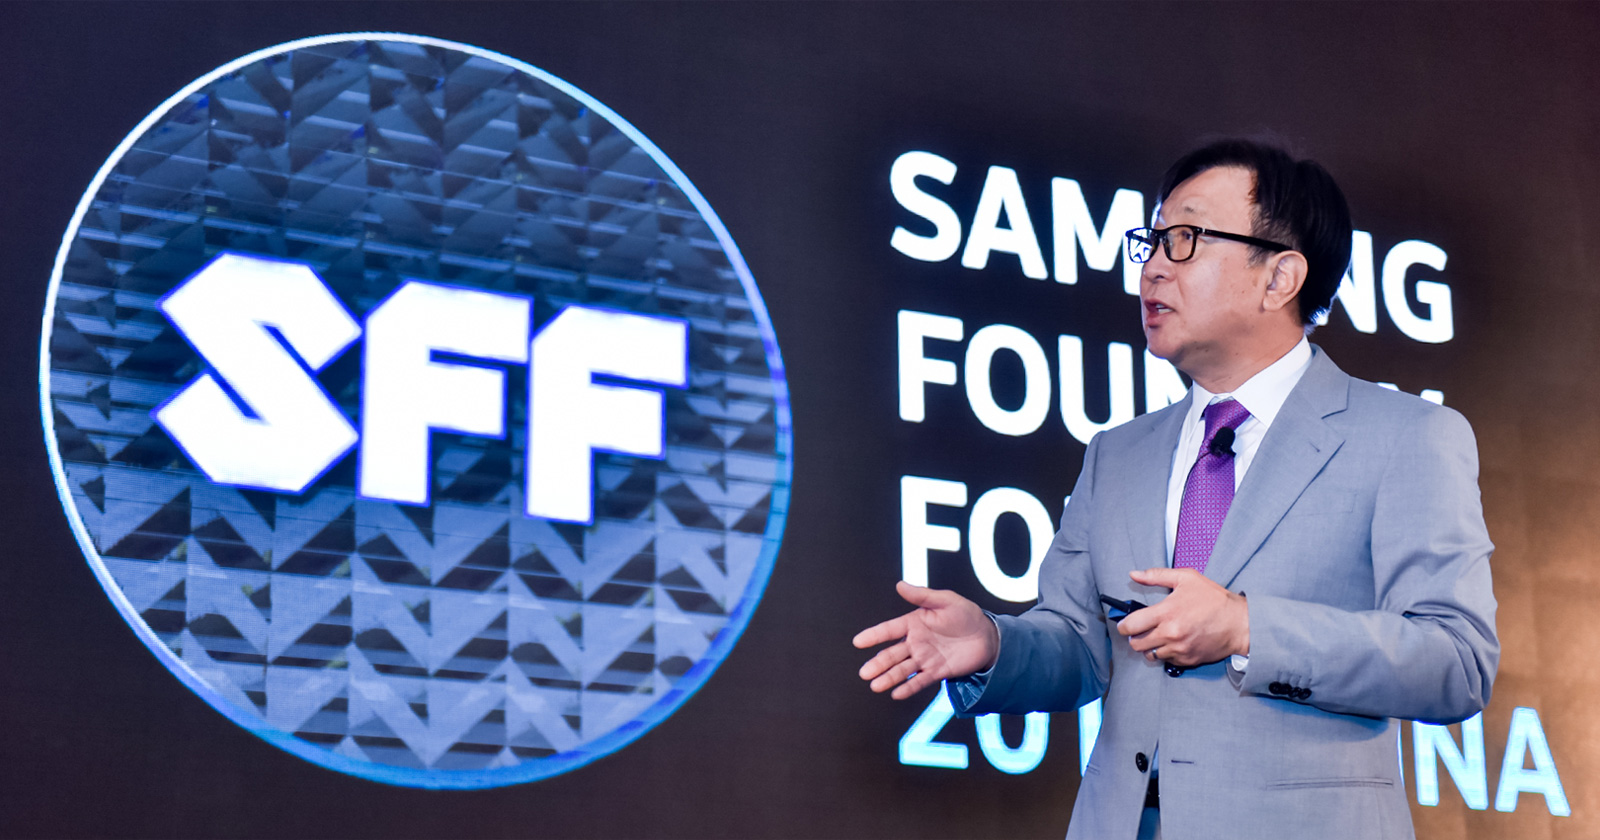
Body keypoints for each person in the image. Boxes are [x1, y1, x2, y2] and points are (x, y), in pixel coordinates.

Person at [854, 138, 1498, 840]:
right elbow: (1082, 646)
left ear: (1280, 278)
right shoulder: (1118, 454)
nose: (1154, 266)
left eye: (1187, 239)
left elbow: (1456, 660)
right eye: (1153, 241)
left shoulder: (1404, 436)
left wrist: (1247, 627)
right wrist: (994, 644)